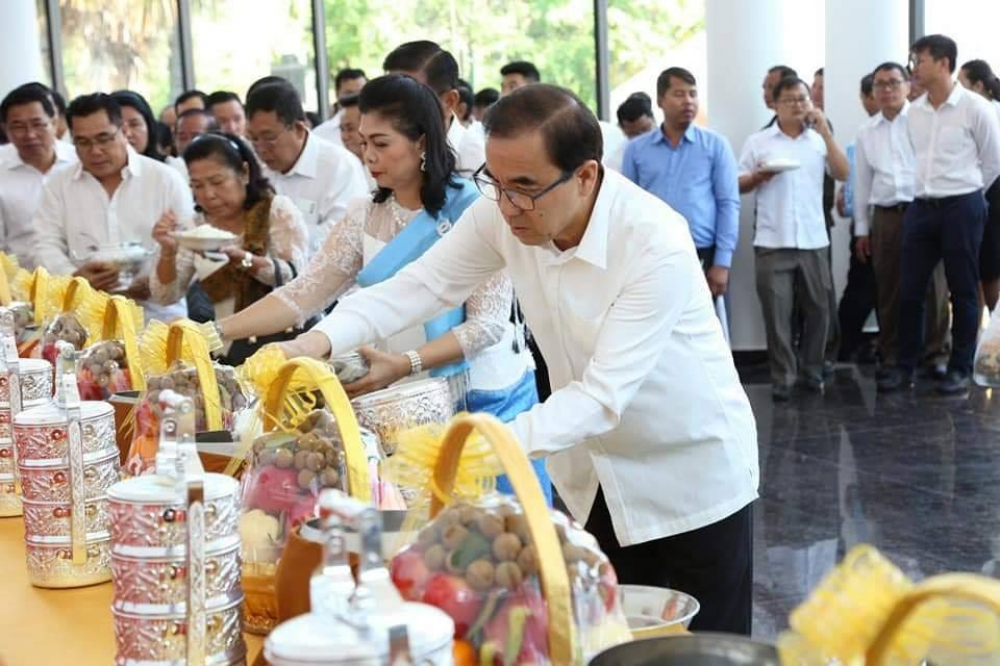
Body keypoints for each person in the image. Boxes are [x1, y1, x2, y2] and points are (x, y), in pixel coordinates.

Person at [273, 83, 758, 635]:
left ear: (585, 176)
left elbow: (601, 397)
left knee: (703, 645)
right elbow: (421, 285)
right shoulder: (504, 211)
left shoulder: (653, 241)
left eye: (524, 188)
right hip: (596, 475)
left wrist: (476, 449)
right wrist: (317, 342)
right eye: (496, 183)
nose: (506, 207)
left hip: (689, 471)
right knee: (609, 640)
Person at [218, 74, 547, 497]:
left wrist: (407, 362)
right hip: (395, 399)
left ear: (421, 142)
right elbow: (304, 293)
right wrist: (216, 332)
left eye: (381, 143)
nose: (368, 156)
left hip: (480, 397)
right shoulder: (365, 215)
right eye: (362, 142)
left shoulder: (475, 210)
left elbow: (485, 326)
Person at [880, 35, 1000, 394]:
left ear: (943, 63)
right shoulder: (914, 112)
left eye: (920, 61)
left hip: (962, 205)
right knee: (910, 290)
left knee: (963, 289)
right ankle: (905, 366)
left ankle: (960, 368)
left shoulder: (976, 107)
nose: (914, 68)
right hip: (921, 206)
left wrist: (969, 194)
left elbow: (993, 161)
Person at [32, 93, 193, 322]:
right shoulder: (58, 186)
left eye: (104, 138)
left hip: (158, 320)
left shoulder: (165, 179)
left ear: (124, 131)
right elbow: (44, 243)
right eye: (83, 142)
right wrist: (75, 279)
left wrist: (156, 282)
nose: (95, 151)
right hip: (84, 322)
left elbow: (189, 245)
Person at [151, 133, 309, 364]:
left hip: (285, 341)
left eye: (217, 182)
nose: (209, 195)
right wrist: (167, 252)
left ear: (244, 173)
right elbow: (166, 295)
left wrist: (244, 259)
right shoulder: (195, 227)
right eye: (197, 186)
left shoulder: (275, 211)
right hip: (225, 346)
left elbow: (297, 277)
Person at [738, 76, 849, 401]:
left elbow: (843, 172)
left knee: (819, 310)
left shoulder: (818, 140)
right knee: (777, 314)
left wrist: (826, 132)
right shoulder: (758, 141)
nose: (798, 105)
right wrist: (758, 177)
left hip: (814, 239)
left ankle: (813, 370)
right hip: (772, 239)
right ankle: (783, 377)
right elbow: (738, 182)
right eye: (790, 99)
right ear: (775, 104)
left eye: (803, 98)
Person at [855, 62, 951, 383]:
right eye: (879, 84)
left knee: (934, 286)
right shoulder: (866, 132)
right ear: (872, 92)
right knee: (890, 288)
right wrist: (861, 229)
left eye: (893, 82)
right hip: (886, 216)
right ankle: (892, 355)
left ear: (908, 86)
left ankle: (936, 354)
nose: (887, 90)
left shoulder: (925, 119)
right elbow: (862, 184)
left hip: (924, 208)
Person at [624, 68, 739, 308]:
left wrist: (722, 263)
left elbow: (728, 203)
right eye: (679, 94)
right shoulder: (636, 150)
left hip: (703, 253)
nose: (688, 101)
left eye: (693, 94)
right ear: (660, 101)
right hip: (652, 254)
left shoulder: (716, 145)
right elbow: (627, 207)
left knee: (709, 325)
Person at [245, 82, 368, 256]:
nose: (261, 148)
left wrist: (282, 238)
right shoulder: (257, 167)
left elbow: (344, 236)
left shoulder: (340, 166)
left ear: (298, 129)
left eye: (269, 137)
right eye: (253, 138)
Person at [0, 83, 77, 268]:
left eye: (37, 124)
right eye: (18, 127)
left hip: (83, 274)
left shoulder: (80, 161)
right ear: (5, 129)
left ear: (54, 122)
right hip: (21, 278)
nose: (30, 135)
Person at [383, 40, 485, 177]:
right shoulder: (384, 149)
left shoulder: (479, 162)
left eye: (410, 98)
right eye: (388, 98)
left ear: (449, 101)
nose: (395, 110)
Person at [834, 73, 879, 364]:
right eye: (874, 92)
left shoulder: (913, 130)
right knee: (860, 293)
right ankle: (844, 349)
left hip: (901, 224)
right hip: (867, 227)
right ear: (864, 99)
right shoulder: (859, 140)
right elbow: (848, 202)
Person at [958, 59, 1000, 311]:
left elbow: (992, 162)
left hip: (989, 192)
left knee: (988, 267)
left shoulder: (988, 111)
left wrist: (973, 194)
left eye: (961, 83)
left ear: (978, 85)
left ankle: (991, 327)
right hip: (982, 192)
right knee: (980, 266)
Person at [313, 68, 368, 146]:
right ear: (337, 94)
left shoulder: (379, 127)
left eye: (361, 92)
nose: (357, 98)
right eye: (349, 93)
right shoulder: (320, 135)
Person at [605, 93, 655, 172]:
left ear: (653, 121)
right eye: (634, 134)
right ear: (622, 130)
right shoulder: (617, 161)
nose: (641, 138)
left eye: (645, 130)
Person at [111, 90, 165, 161]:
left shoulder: (169, 166)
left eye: (134, 125)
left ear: (149, 127)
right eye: (118, 126)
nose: (127, 134)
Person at [167, 109, 218, 178]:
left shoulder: (224, 168)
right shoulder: (168, 171)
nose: (188, 144)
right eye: (182, 138)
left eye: (196, 137)